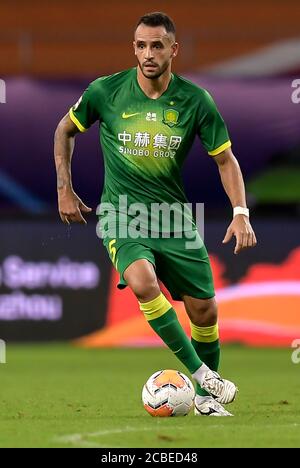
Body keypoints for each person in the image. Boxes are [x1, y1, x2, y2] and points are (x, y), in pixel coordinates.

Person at [54, 12, 257, 416]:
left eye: (157, 45)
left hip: (173, 218)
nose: (148, 53)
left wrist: (240, 212)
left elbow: (225, 160)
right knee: (144, 283)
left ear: (173, 50)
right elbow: (64, 130)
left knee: (204, 310)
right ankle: (202, 376)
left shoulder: (196, 100)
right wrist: (64, 188)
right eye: (141, 45)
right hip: (121, 214)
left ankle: (204, 403)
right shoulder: (105, 91)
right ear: (134, 48)